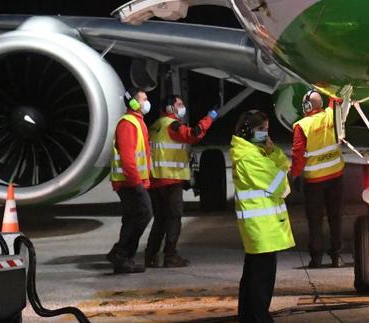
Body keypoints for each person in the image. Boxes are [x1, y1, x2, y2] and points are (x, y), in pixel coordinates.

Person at [231, 110, 294, 323]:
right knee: (261, 280)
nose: (265, 134)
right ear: (248, 131)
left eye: (267, 129)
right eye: (261, 129)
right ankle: (259, 318)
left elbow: (282, 168)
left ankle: (249, 317)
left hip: (262, 227)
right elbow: (278, 184)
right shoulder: (249, 157)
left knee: (252, 276)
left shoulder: (256, 152)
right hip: (261, 227)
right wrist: (280, 167)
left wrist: (273, 152)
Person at [144, 95, 220, 268]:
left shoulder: (154, 126)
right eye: (179, 104)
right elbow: (194, 134)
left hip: (155, 179)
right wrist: (210, 117)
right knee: (174, 218)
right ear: (170, 108)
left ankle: (150, 255)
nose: (182, 107)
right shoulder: (172, 125)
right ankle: (170, 255)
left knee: (160, 219)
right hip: (170, 179)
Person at [291, 89, 344, 268]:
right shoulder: (331, 114)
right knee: (335, 217)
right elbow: (337, 97)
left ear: (306, 106)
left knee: (315, 221)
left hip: (314, 181)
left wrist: (296, 174)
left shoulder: (302, 126)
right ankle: (336, 254)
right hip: (336, 176)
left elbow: (298, 155)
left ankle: (316, 257)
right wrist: (324, 86)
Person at [106, 90, 153, 274]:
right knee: (144, 214)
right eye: (144, 99)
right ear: (133, 103)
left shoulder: (137, 122)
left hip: (132, 182)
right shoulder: (128, 124)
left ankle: (124, 259)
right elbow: (127, 158)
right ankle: (121, 252)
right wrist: (137, 183)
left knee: (132, 218)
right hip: (129, 183)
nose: (147, 102)